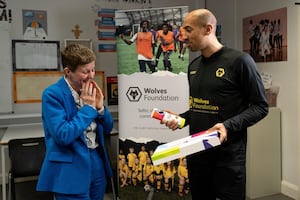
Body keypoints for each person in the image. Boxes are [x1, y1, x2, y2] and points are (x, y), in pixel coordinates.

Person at [161, 9, 269, 200]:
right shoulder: (193, 67)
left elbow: (261, 107)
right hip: (197, 154)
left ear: (208, 29)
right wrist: (181, 119)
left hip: (228, 158)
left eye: (188, 29)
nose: (182, 36)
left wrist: (228, 126)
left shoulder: (240, 61)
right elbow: (200, 107)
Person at [36, 44, 114, 200]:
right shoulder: (52, 95)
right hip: (70, 168)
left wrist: (100, 109)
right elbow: (63, 135)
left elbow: (108, 128)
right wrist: (89, 110)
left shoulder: (89, 90)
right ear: (68, 72)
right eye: (85, 72)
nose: (91, 76)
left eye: (93, 69)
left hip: (96, 161)